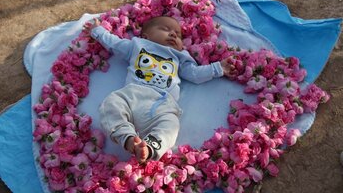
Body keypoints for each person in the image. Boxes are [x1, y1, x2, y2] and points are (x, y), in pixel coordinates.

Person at [85, 16, 234, 163]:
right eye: (165, 29)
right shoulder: (137, 45)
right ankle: (127, 137)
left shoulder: (180, 56)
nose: (173, 34)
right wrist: (97, 31)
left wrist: (218, 68)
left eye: (178, 34)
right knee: (111, 104)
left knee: (171, 125)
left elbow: (194, 73)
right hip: (132, 95)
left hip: (162, 103)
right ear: (146, 36)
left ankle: (150, 147)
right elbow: (114, 44)